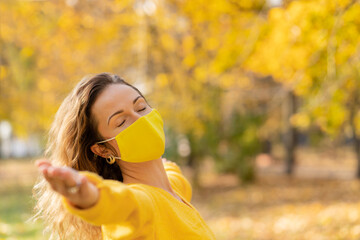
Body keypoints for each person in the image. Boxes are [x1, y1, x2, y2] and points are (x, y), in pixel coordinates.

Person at [32, 73, 216, 240]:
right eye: (121, 121)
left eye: (141, 107)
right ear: (102, 150)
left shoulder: (172, 188)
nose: (140, 119)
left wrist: (167, 167)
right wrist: (91, 197)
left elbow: (176, 178)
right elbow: (121, 206)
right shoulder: (140, 204)